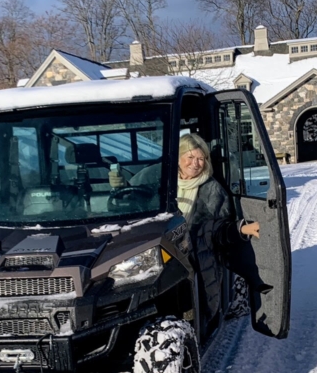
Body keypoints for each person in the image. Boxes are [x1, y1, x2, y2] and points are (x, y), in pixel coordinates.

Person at [111, 132, 259, 320]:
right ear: (178, 158)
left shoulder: (212, 190)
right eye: (190, 157)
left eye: (201, 159)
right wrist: (120, 187)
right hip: (158, 250)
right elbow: (135, 207)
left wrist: (239, 229)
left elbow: (216, 229)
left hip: (194, 255)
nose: (195, 164)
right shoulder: (160, 182)